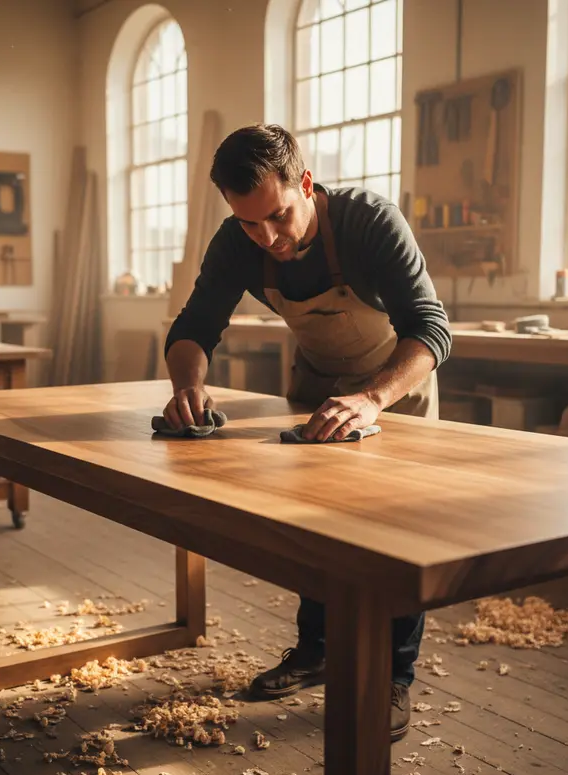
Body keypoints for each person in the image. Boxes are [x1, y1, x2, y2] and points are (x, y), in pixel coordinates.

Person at [162, 124, 452, 741]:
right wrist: (188, 384)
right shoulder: (238, 240)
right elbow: (193, 326)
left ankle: (392, 680)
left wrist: (373, 399)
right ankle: (317, 651)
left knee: (393, 539)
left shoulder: (371, 223)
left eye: (278, 217)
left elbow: (431, 329)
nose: (268, 238)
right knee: (313, 525)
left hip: (393, 393)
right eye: (249, 224)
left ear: (307, 184)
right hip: (319, 387)